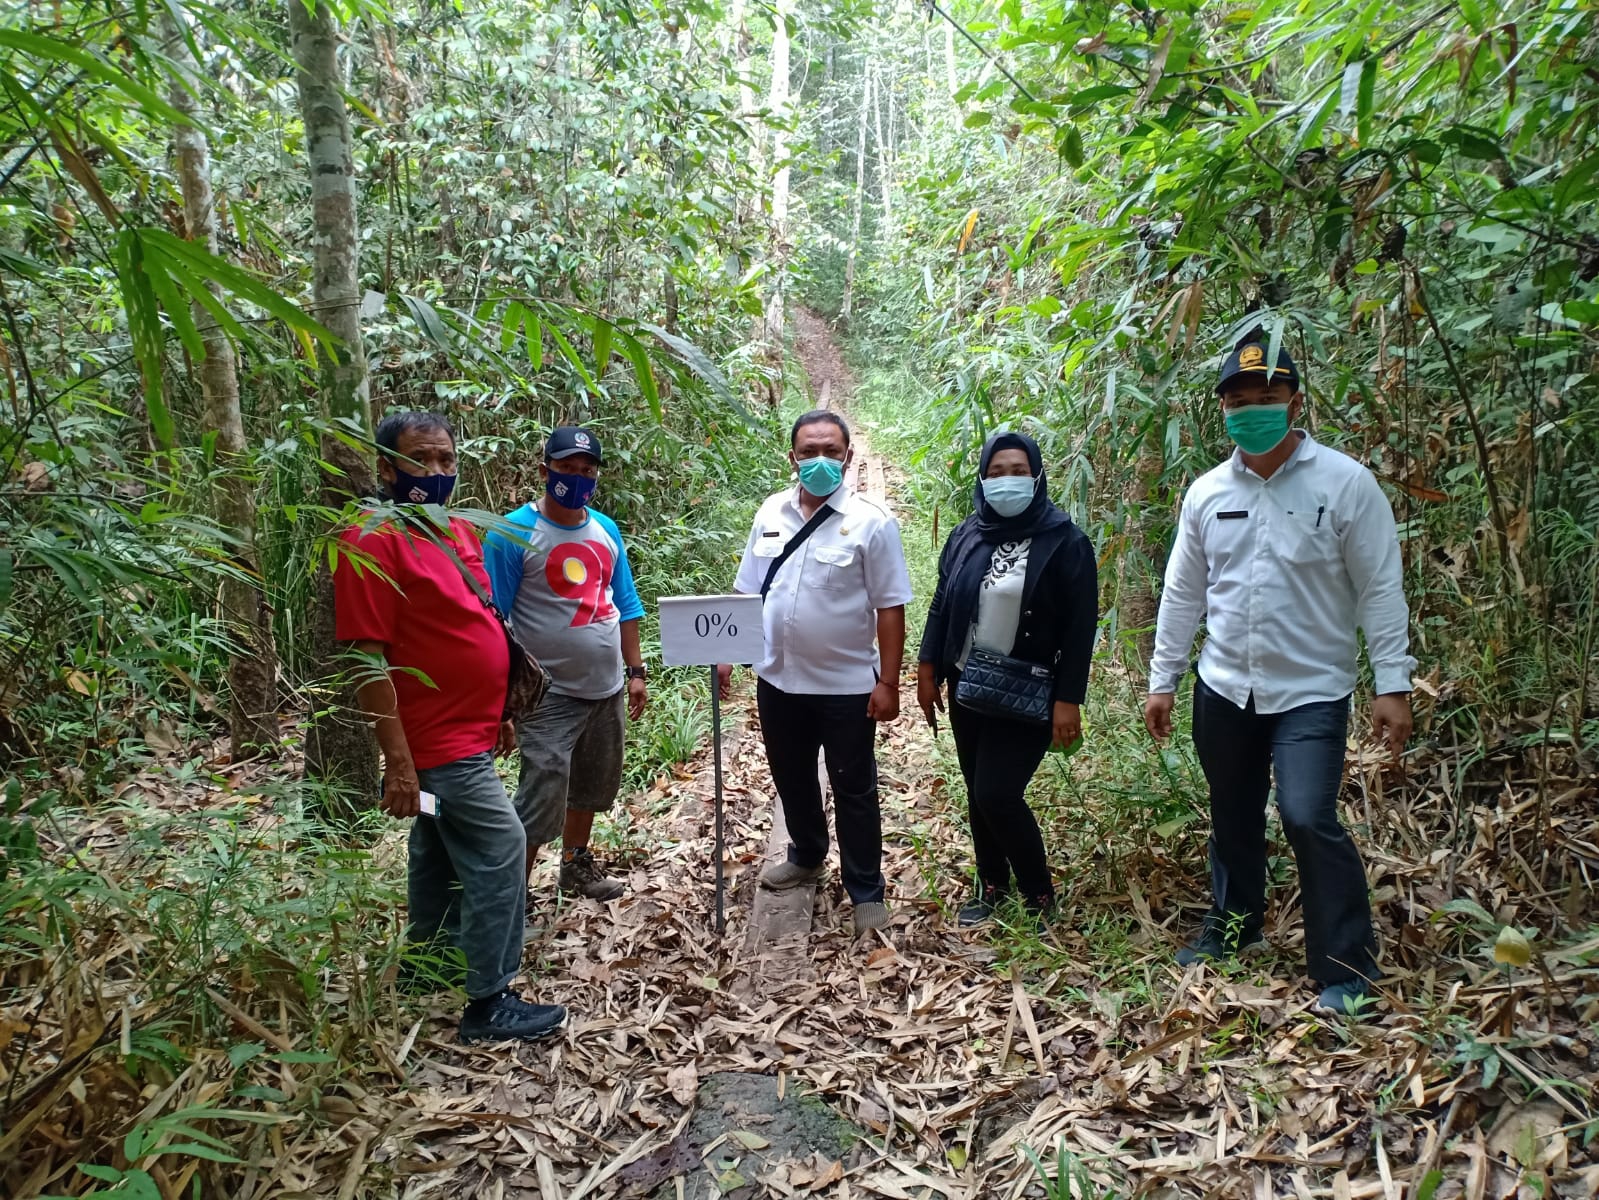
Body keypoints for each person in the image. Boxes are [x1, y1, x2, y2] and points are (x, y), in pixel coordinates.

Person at [1144, 338, 1416, 1016]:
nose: (1252, 412)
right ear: (1222, 411)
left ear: (1295, 403)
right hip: (1224, 685)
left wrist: (1392, 682)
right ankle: (1232, 929)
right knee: (1231, 812)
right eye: (1238, 403)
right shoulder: (1207, 492)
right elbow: (1183, 593)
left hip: (1311, 690)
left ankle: (1345, 968)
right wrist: (1163, 679)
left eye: (1266, 400)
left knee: (1305, 815)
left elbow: (1379, 586)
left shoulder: (1343, 483)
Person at [334, 411, 567, 1043]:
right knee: (501, 848)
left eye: (445, 460)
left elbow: (476, 626)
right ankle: (490, 998)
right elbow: (365, 655)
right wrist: (399, 762)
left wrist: (500, 713)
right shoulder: (371, 539)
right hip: (433, 742)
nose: (436, 473)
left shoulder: (454, 531)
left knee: (436, 843)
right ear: (386, 467)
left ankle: (427, 960)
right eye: (420, 460)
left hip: (471, 731)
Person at [719, 410, 912, 936]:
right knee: (791, 774)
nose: (820, 460)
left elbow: (890, 606)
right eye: (810, 452)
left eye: (832, 451)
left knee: (853, 785)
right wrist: (723, 654)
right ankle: (806, 854)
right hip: (778, 679)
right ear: (793, 458)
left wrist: (888, 683)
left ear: (848, 457)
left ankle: (866, 889)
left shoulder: (873, 521)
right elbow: (748, 589)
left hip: (847, 685)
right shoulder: (770, 512)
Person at [917, 432, 1099, 926]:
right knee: (978, 790)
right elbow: (940, 602)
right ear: (982, 478)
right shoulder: (967, 534)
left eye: (1018, 470)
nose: (1007, 481)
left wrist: (1068, 700)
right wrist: (927, 667)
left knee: (998, 791)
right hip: (968, 682)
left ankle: (1039, 893)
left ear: (1037, 476)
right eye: (996, 472)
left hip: (1027, 687)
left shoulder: (1066, 542)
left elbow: (1082, 629)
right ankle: (991, 884)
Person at [483, 427, 648, 905]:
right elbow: (496, 616)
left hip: (606, 685)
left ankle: (575, 864)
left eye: (586, 471)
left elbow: (627, 604)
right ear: (544, 470)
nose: (576, 478)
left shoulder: (605, 529)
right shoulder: (514, 532)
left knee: (593, 783)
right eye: (566, 469)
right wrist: (501, 699)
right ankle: (514, 892)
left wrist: (635, 673)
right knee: (543, 789)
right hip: (548, 691)